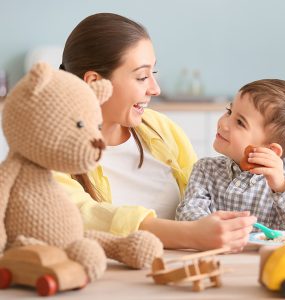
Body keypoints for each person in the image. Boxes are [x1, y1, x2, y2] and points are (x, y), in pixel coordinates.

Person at [55, 12, 256, 252]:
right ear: (94, 82)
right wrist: (191, 235)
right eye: (141, 77)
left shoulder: (161, 129)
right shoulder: (49, 149)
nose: (155, 89)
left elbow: (207, 194)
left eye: (154, 73)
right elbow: (81, 216)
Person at [175, 79, 285, 232]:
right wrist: (215, 227)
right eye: (229, 111)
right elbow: (187, 212)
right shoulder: (206, 169)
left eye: (240, 122)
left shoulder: (280, 186)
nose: (223, 123)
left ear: (271, 150)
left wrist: (281, 187)